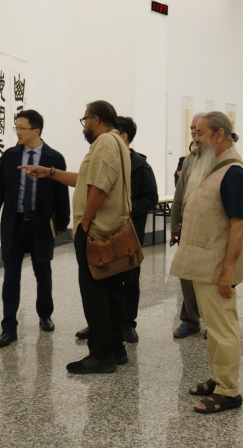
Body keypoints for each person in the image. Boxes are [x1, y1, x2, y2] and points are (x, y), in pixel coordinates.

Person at [21, 100, 132, 374]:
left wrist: (85, 221)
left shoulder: (104, 143)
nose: (84, 125)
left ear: (96, 119)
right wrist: (49, 173)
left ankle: (101, 355)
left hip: (96, 232)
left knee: (95, 294)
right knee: (112, 291)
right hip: (110, 230)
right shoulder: (118, 142)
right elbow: (85, 179)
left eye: (85, 120)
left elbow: (99, 187)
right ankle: (116, 349)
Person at [170, 111, 243, 414]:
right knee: (214, 327)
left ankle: (228, 391)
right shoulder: (212, 167)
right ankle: (219, 378)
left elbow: (239, 226)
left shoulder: (234, 174)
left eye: (201, 134)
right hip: (205, 265)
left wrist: (227, 272)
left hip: (217, 268)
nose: (196, 140)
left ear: (219, 134)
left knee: (223, 328)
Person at [0, 109, 70, 348]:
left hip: (40, 225)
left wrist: (62, 222)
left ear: (36, 130)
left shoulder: (54, 158)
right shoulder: (10, 156)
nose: (17, 132)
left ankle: (45, 314)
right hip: (14, 225)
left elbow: (61, 192)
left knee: (42, 273)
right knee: (10, 277)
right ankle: (8, 327)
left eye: (21, 128)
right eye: (16, 127)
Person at [74, 116, 158, 343]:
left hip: (128, 232)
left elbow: (151, 197)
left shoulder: (140, 165)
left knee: (129, 279)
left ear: (124, 136)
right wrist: (51, 173)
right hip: (105, 230)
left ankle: (128, 324)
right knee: (103, 281)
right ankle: (101, 324)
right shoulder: (106, 158)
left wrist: (127, 210)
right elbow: (89, 183)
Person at [170, 114, 205, 339]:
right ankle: (190, 320)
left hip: (211, 230)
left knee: (210, 278)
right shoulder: (189, 159)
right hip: (188, 228)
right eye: (192, 129)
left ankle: (214, 322)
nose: (194, 133)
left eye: (199, 129)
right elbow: (179, 194)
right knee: (186, 274)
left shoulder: (222, 160)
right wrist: (175, 226)